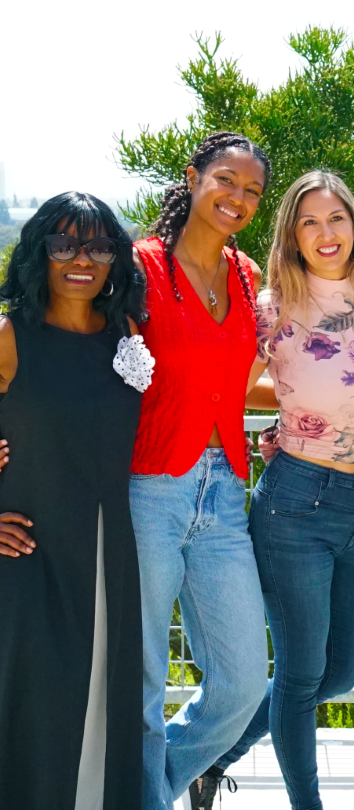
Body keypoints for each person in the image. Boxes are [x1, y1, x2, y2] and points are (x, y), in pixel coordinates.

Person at [192, 171, 354, 810]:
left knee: (338, 673)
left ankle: (216, 757)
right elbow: (223, 383)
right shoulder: (272, 306)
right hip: (296, 502)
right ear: (292, 234)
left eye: (335, 218)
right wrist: (291, 413)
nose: (325, 233)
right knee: (301, 674)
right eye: (309, 222)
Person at [129, 132, 274, 810]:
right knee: (142, 683)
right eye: (225, 180)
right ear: (191, 179)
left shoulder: (246, 274)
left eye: (251, 190)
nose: (237, 197)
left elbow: (240, 382)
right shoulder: (136, 267)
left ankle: (146, 790)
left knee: (243, 683)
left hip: (222, 494)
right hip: (146, 487)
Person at [0, 193, 149, 808]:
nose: (80, 259)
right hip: (28, 548)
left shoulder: (127, 335)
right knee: (35, 705)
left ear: (115, 258)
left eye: (97, 246)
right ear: (40, 252)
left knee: (101, 697)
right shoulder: (11, 336)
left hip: (107, 543)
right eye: (63, 244)